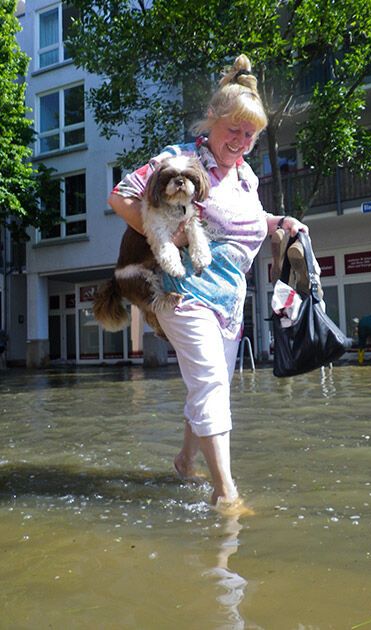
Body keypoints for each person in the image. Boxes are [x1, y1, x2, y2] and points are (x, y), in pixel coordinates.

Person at [108, 54, 307, 512]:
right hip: (183, 292)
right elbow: (120, 197)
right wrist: (164, 237)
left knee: (211, 385)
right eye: (233, 129)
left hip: (230, 299)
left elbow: (251, 222)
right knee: (212, 384)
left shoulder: (246, 176)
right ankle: (226, 494)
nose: (240, 140)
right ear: (212, 120)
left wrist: (281, 221)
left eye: (250, 134)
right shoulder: (180, 159)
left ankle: (184, 461)